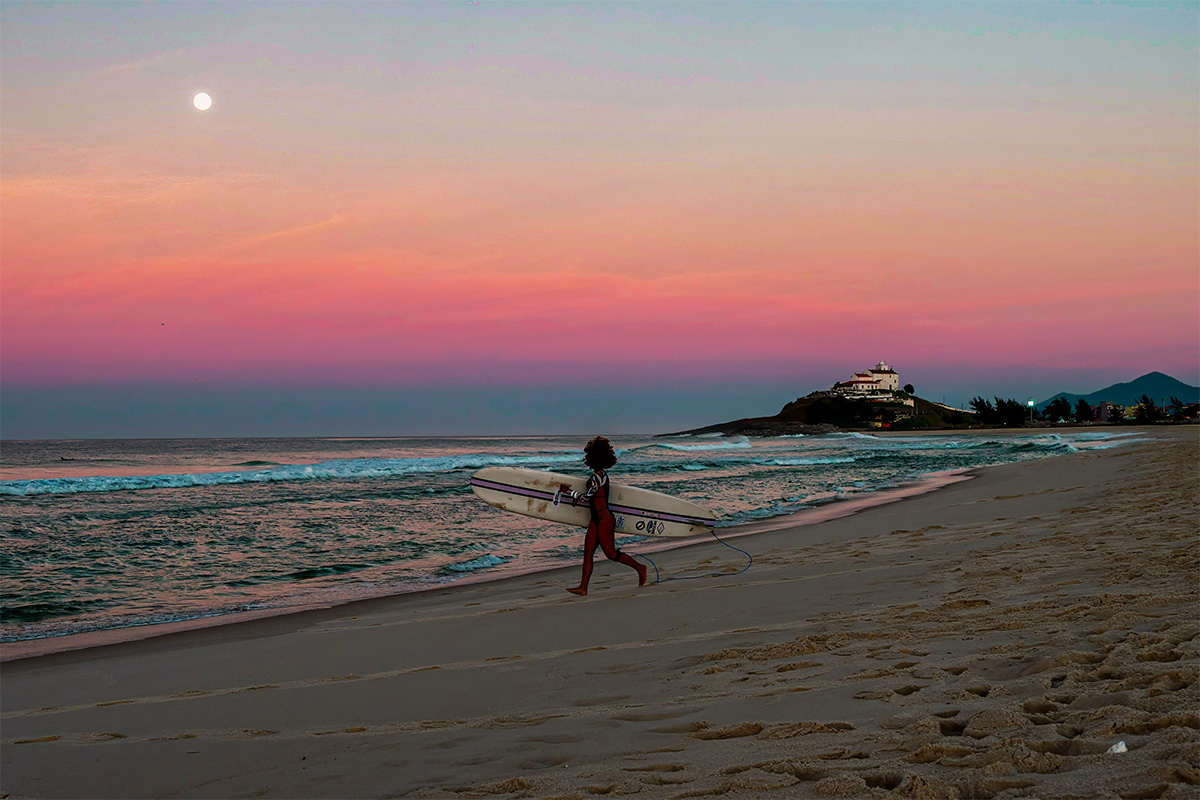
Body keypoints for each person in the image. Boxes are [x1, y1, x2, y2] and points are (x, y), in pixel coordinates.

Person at [560, 436, 647, 596]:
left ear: (592, 457)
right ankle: (583, 588)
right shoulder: (602, 475)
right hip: (596, 519)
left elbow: (587, 497)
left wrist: (568, 492)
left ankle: (640, 568)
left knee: (611, 554)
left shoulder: (597, 478)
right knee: (588, 553)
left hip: (603, 519)